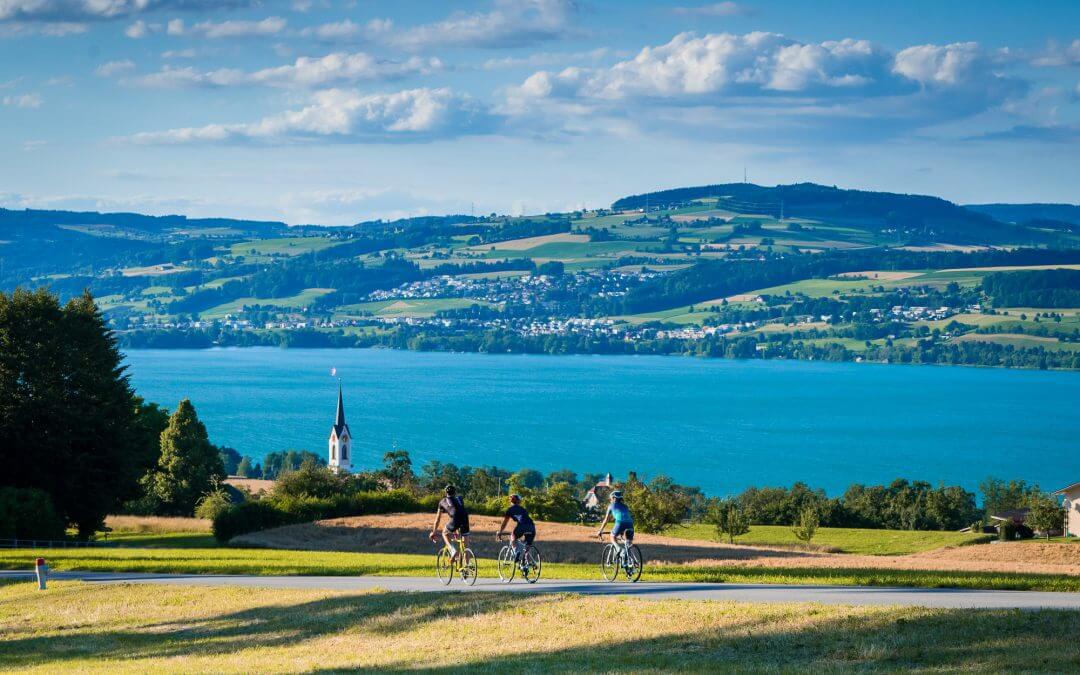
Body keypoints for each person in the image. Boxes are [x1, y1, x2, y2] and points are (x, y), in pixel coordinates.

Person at [430, 484, 470, 560]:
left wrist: (434, 532)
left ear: (445, 493)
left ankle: (452, 550)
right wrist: (456, 530)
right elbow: (460, 511)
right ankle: (467, 567)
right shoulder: (460, 499)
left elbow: (438, 519)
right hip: (465, 518)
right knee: (466, 545)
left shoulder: (442, 502)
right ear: (455, 492)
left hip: (455, 518)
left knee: (444, 533)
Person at [495, 493, 536, 560]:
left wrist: (500, 532)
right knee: (527, 547)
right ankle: (526, 564)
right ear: (519, 501)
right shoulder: (523, 509)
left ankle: (516, 552)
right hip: (531, 526)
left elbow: (505, 522)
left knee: (512, 537)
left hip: (522, 526)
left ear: (511, 501)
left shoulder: (510, 510)